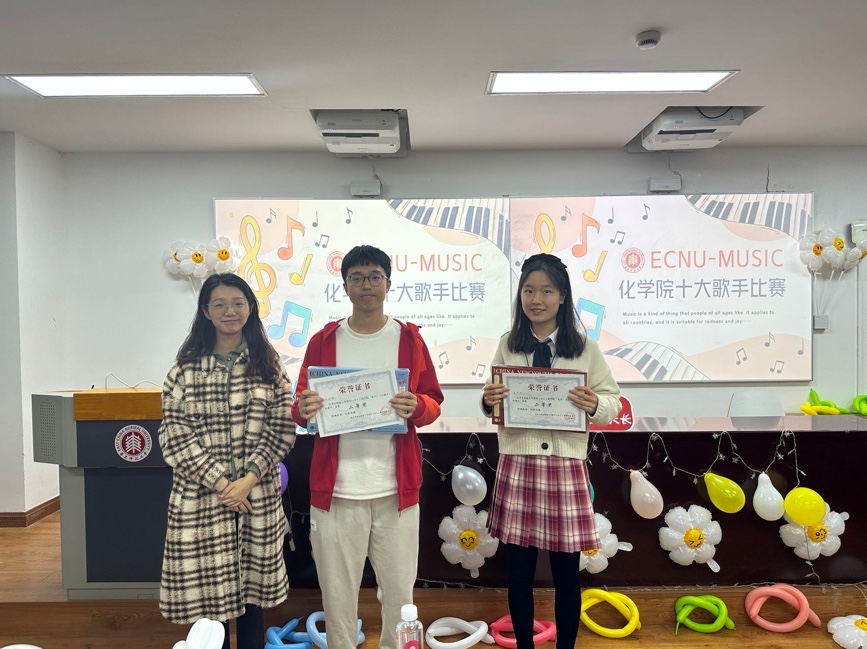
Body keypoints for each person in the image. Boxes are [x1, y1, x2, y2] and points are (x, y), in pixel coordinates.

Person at [291, 244, 444, 649]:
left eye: (374, 276)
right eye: (356, 278)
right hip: (337, 491)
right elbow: (301, 406)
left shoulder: (409, 339)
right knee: (337, 597)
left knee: (400, 595)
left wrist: (417, 406)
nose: (366, 285)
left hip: (395, 491)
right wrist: (303, 409)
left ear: (388, 283)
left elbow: (432, 402)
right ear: (344, 286)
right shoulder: (324, 340)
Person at [481, 253, 621, 649]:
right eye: (528, 290)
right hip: (518, 462)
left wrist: (595, 403)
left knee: (566, 574)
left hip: (565, 465)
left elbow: (612, 402)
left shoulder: (586, 348)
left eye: (546, 291)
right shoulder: (508, 344)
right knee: (519, 572)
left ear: (562, 296)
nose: (536, 299)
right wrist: (488, 400)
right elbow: (492, 400)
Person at [158, 272, 296, 649]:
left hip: (256, 495)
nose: (229, 311)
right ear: (206, 311)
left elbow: (282, 426)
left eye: (238, 303)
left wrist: (248, 479)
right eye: (219, 304)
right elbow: (175, 435)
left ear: (250, 308)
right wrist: (222, 484)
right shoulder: (185, 369)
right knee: (210, 602)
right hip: (202, 498)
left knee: (252, 598)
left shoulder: (268, 364)